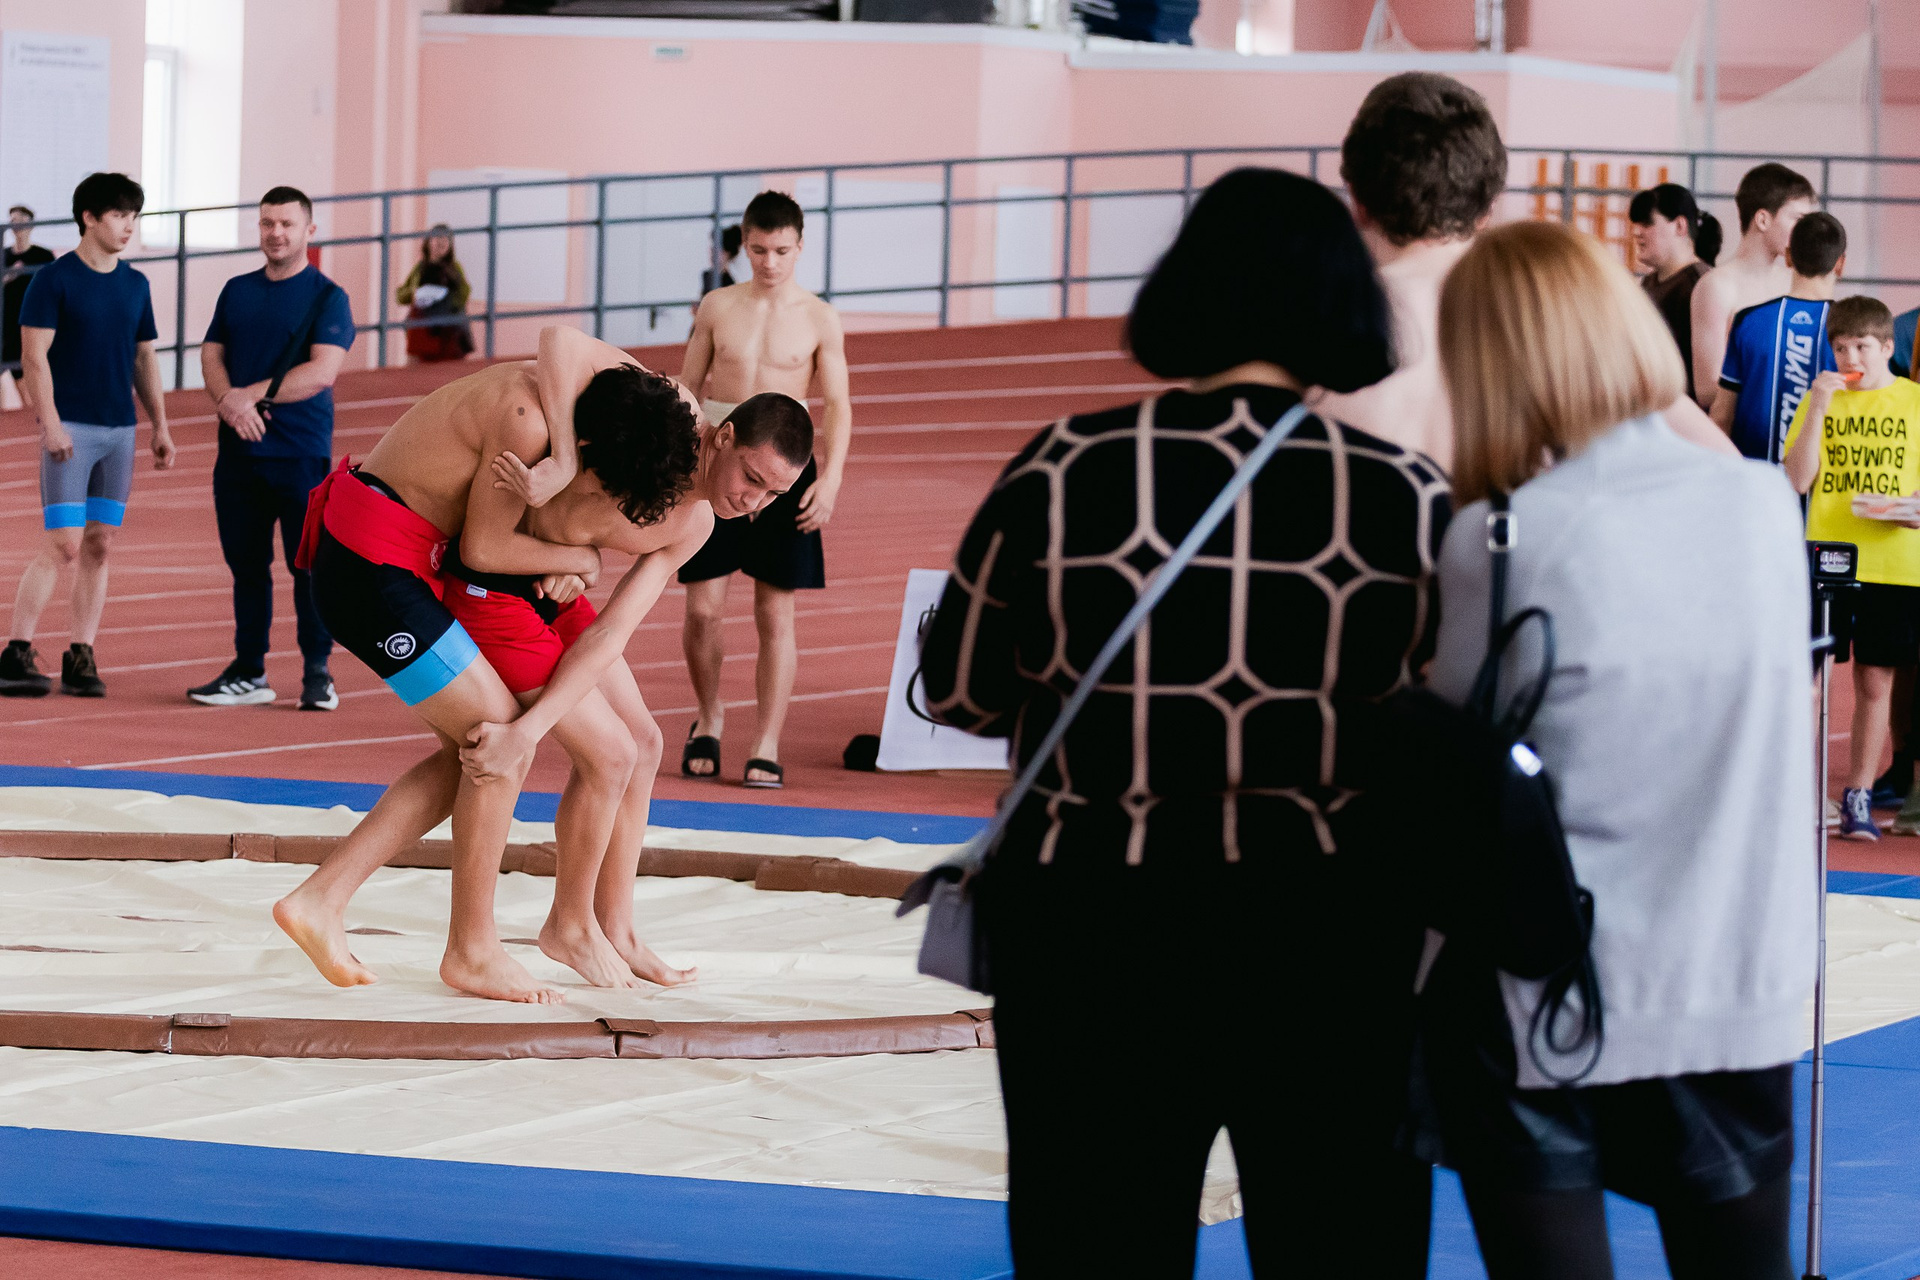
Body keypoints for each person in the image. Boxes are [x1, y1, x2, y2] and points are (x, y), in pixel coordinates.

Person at [916, 168, 1447, 1278]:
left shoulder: (1065, 464)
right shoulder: (1402, 494)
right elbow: (1449, 717)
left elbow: (960, 690)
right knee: (1342, 1246)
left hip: (1094, 925)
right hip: (1330, 935)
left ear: (1189, 287)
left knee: (1095, 1243)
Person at [1425, 220, 1814, 1279]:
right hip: (1737, 970)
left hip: (1548, 982)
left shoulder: (1501, 535)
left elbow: (1461, 746)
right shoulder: (1760, 507)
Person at [272, 337, 633, 1003]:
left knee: (472, 751)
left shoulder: (568, 400)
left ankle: (321, 899)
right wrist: (580, 560)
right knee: (500, 742)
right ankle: (472, 949)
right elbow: (488, 544)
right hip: (373, 564)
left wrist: (572, 557)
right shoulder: (528, 421)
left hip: (399, 560)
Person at [1320, 72, 1737, 469]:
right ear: (1488, 208)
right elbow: (1726, 466)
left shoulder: (1313, 326)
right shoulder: (1562, 315)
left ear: (1356, 201)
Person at [675, 189, 851, 788]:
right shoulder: (718, 305)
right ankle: (708, 717)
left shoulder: (820, 317)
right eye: (758, 250)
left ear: (799, 247)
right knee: (703, 609)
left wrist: (831, 479)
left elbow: (839, 405)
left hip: (784, 471)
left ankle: (766, 741)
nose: (769, 262)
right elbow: (688, 385)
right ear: (743, 246)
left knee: (775, 613)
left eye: (780, 250)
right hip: (717, 464)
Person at [0, 173, 172, 699]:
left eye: (134, 216)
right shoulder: (52, 280)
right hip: (71, 429)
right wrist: (49, 422)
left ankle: (81, 654)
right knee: (64, 544)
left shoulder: (135, 285)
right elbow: (34, 357)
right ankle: (15, 652)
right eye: (119, 215)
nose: (128, 226)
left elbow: (144, 358)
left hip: (119, 431)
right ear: (89, 218)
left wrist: (160, 425)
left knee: (100, 543)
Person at [189, 186, 356, 712]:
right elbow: (211, 353)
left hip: (300, 455)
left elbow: (322, 371)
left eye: (286, 224)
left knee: (307, 568)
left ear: (309, 230)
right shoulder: (237, 290)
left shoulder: (328, 297)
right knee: (247, 567)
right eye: (267, 223)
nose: (275, 233)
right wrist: (228, 403)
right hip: (239, 455)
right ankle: (249, 670)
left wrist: (250, 395)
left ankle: (317, 673)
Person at [1784, 296, 1920, 843]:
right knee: (1809, 679)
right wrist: (1818, 405)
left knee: (1875, 679)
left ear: (1886, 347)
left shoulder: (1913, 402)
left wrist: (1910, 509)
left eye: (1861, 346)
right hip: (1829, 558)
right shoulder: (1821, 399)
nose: (1850, 358)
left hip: (1894, 561)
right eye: (1840, 347)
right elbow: (1796, 478)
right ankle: (1798, 790)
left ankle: (1858, 795)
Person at [1709, 211, 1844, 463]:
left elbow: (1722, 416)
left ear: (1789, 257)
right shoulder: (1853, 331)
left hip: (1756, 479)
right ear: (1840, 264)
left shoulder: (1748, 320)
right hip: (1826, 481)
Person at [1689, 162, 1818, 410]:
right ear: (1762, 219)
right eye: (1797, 220)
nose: (1805, 232)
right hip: (1740, 428)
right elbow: (1707, 389)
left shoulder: (1794, 281)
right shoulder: (1716, 286)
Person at [1629, 183, 1720, 399]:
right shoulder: (1649, 282)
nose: (1636, 231)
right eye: (1636, 223)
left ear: (1680, 226)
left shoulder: (1701, 285)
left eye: (1647, 223)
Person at [396, 224, 472, 364]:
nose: (441, 242)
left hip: (448, 332)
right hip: (421, 330)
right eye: (437, 238)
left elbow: (464, 293)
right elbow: (401, 296)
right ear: (428, 242)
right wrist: (414, 294)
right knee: (418, 370)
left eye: (446, 239)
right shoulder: (420, 268)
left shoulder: (455, 268)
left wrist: (446, 299)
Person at [2, 204, 54, 411]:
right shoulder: (4, 255)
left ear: (31, 225)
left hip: (33, 321)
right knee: (14, 370)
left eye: (21, 220)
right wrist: (8, 276)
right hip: (7, 322)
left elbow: (53, 288)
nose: (17, 225)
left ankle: (35, 413)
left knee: (31, 369)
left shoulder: (42, 255)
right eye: (13, 221)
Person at [700, 223, 740, 297]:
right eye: (712, 249)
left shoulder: (729, 283)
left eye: (717, 249)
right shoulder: (707, 276)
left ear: (727, 253)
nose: (712, 253)